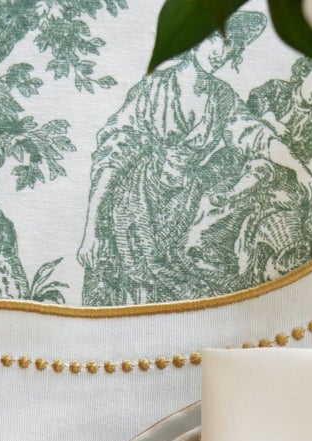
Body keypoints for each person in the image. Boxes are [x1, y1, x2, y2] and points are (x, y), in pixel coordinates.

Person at [78, 12, 265, 305]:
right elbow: (112, 157)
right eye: (218, 40)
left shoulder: (222, 98)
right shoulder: (153, 89)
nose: (222, 53)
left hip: (181, 210)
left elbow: (253, 135)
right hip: (132, 208)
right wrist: (91, 229)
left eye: (233, 47)